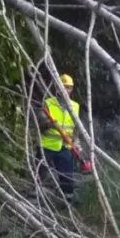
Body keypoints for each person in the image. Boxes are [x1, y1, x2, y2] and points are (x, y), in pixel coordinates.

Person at [36, 73, 81, 204]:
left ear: (72, 89)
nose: (66, 90)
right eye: (63, 87)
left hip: (65, 148)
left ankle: (67, 205)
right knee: (39, 177)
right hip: (46, 146)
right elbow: (40, 124)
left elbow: (76, 129)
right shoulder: (48, 103)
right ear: (57, 87)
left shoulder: (75, 106)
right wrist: (50, 124)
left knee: (67, 178)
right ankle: (35, 204)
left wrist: (76, 144)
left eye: (69, 87)